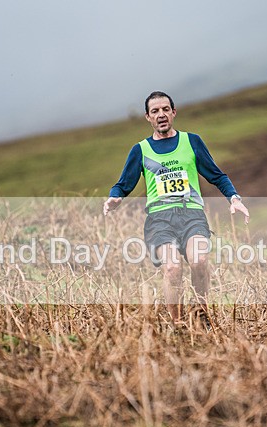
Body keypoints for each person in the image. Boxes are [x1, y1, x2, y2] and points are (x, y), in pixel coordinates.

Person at [103, 91, 250, 326]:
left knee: (199, 261)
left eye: (164, 109)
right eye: (155, 111)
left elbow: (216, 175)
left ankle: (203, 314)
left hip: (192, 214)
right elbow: (124, 184)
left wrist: (234, 198)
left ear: (173, 112)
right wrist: (114, 198)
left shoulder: (191, 142)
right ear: (147, 117)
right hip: (160, 219)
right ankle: (177, 324)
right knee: (172, 268)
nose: (160, 115)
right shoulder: (140, 150)